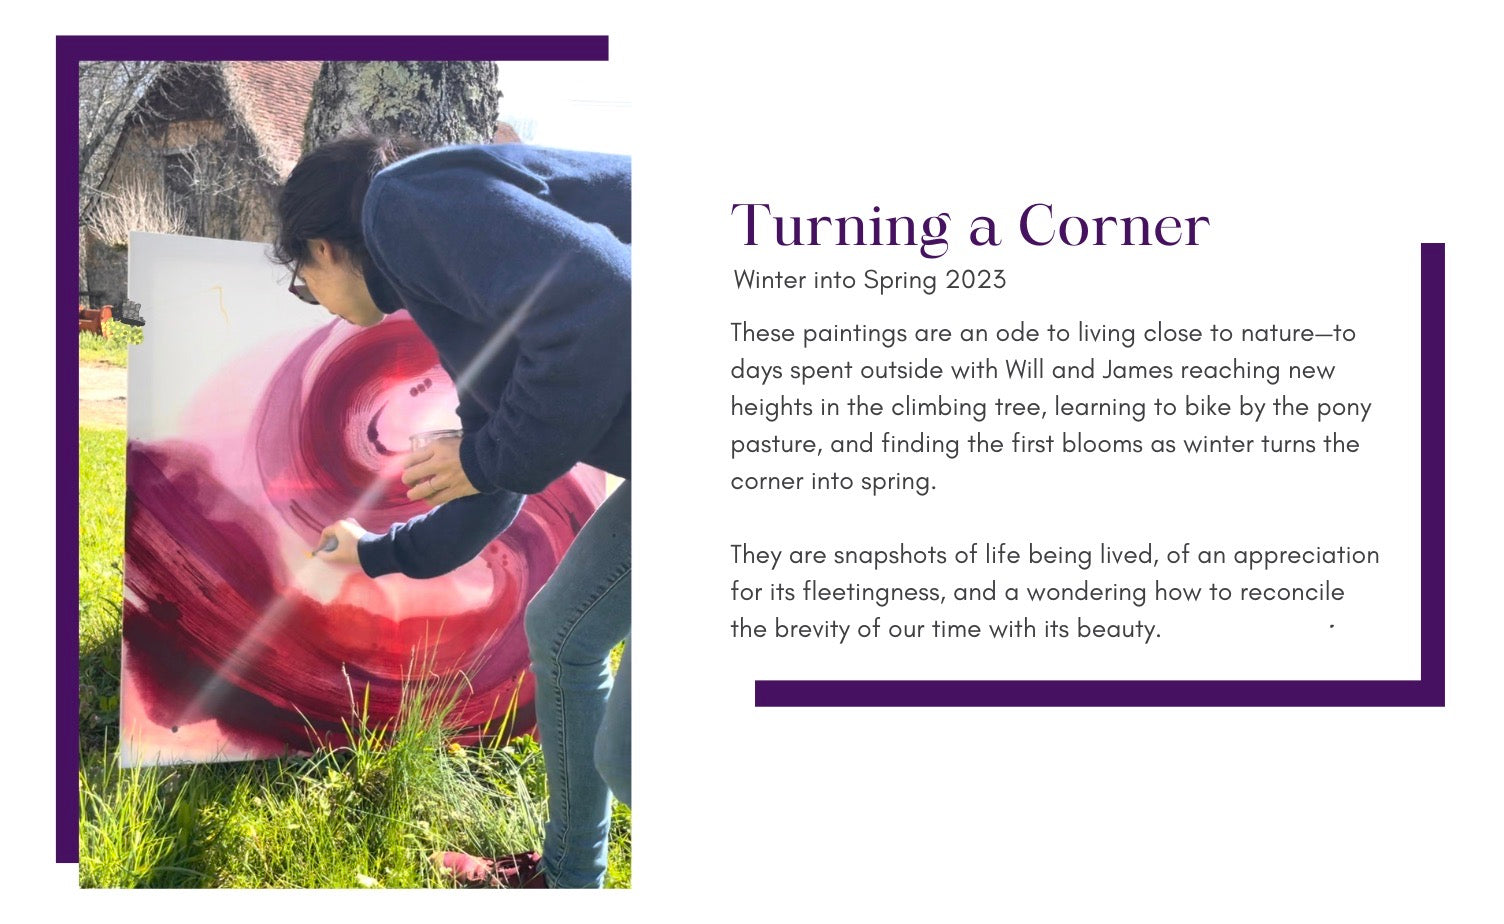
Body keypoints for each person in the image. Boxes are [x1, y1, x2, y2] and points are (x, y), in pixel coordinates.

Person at [273, 134, 631, 889]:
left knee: (633, 757)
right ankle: (569, 879)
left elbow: (604, 300)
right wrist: (373, 553)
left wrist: (483, 457)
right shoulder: (456, 288)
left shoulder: (398, 204)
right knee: (563, 631)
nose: (323, 308)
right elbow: (494, 480)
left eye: (304, 285)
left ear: (321, 250)